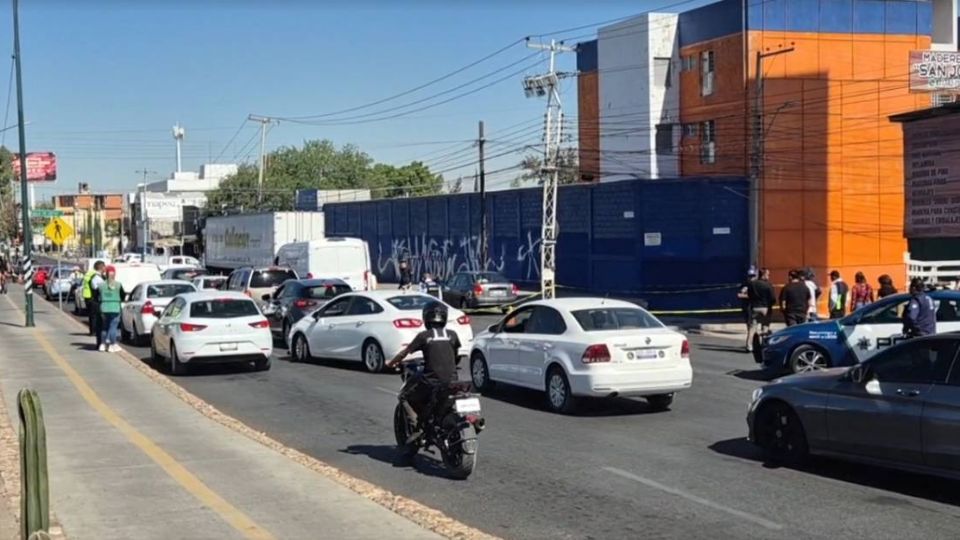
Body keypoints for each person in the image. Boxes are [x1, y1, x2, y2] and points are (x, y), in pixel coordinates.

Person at [385, 301, 462, 464]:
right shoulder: (453, 335)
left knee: (405, 396)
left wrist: (391, 363)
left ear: (426, 318)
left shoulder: (424, 336)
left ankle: (416, 429)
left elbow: (404, 353)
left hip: (431, 382)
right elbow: (453, 356)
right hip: (453, 381)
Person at [745, 268, 775, 353]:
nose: (768, 276)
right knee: (765, 326)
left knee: (752, 327)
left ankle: (749, 346)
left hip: (755, 307)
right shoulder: (768, 285)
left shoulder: (752, 284)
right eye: (767, 274)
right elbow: (772, 298)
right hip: (765, 307)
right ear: (764, 275)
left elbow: (749, 295)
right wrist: (770, 305)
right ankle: (764, 345)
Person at [97, 266, 125, 353]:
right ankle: (112, 344)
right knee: (113, 327)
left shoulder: (101, 285)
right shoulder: (118, 284)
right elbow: (123, 295)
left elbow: (97, 295)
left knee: (105, 327)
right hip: (115, 307)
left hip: (104, 307)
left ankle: (103, 344)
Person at [82, 260, 106, 346]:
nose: (105, 269)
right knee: (97, 319)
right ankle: (96, 334)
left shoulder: (90, 274)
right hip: (94, 300)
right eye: (104, 267)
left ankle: (94, 332)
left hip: (89, 297)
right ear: (101, 267)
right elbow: (98, 289)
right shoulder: (96, 277)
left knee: (93, 317)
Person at [737, 267, 757, 334]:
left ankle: (753, 331)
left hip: (755, 304)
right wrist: (747, 295)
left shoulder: (756, 284)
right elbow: (739, 294)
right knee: (748, 319)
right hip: (747, 305)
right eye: (750, 276)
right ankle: (749, 330)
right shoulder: (745, 284)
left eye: (753, 276)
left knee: (754, 319)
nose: (751, 278)